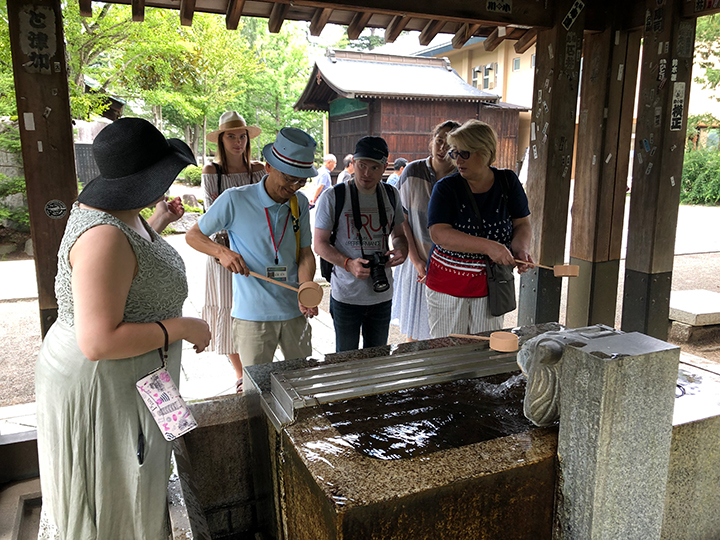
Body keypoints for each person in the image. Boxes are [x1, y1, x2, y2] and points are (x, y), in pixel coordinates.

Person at [35, 118, 211, 540]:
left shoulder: (125, 213)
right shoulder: (102, 236)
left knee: (133, 481)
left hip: (131, 373)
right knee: (110, 493)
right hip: (101, 379)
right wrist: (184, 327)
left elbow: (133, 270)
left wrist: (160, 219)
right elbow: (98, 341)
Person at [186, 127, 318, 368]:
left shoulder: (298, 202)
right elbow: (193, 235)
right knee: (255, 391)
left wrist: (307, 285)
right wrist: (221, 252)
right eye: (289, 178)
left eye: (302, 180)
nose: (294, 186)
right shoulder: (235, 199)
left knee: (301, 383)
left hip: (295, 312)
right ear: (268, 167)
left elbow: (305, 253)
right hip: (252, 316)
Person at [425, 119, 533, 338]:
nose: (458, 160)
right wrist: (489, 247)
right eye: (455, 154)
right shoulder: (446, 187)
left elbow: (522, 223)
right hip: (448, 285)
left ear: (485, 152)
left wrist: (520, 248)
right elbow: (439, 234)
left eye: (465, 153)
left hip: (491, 285)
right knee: (448, 352)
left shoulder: (508, 182)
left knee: (484, 349)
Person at [314, 136, 408, 352]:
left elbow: (400, 235)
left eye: (374, 167)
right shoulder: (334, 196)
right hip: (346, 294)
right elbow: (319, 244)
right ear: (353, 162)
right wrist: (348, 263)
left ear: (385, 166)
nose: (366, 173)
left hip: (381, 293)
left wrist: (402, 249)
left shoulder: (391, 194)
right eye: (362, 165)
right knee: (345, 359)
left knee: (377, 358)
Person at [202, 111, 264, 393]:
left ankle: (258, 365)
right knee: (228, 308)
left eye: (242, 136)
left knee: (257, 306)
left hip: (256, 247)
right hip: (224, 248)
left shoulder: (259, 170)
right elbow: (210, 216)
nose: (238, 142)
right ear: (221, 140)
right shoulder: (212, 172)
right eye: (231, 136)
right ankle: (241, 373)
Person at [390, 120, 460, 341]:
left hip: (450, 265)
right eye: (439, 141)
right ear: (432, 141)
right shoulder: (412, 172)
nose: (442, 149)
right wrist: (417, 260)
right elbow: (402, 220)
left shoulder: (461, 178)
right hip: (417, 263)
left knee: (444, 332)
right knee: (415, 331)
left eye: (449, 144)